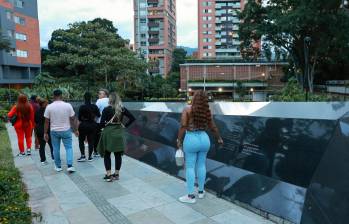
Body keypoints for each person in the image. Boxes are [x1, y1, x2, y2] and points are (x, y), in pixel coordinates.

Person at [177, 90, 223, 204]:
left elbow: (183, 126)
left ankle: (191, 196)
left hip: (191, 139)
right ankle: (201, 192)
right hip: (204, 139)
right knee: (201, 165)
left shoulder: (187, 109)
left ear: (194, 98)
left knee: (190, 167)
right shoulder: (207, 111)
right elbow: (213, 127)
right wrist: (219, 139)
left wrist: (179, 140)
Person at [98, 92, 135, 182]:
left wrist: (103, 127)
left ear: (110, 99)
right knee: (118, 154)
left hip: (109, 133)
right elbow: (132, 118)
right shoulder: (122, 109)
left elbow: (102, 124)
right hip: (119, 132)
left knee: (107, 154)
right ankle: (117, 174)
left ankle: (109, 175)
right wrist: (125, 125)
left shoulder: (106, 109)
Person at [44, 89, 78, 173]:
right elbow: (73, 118)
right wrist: (75, 129)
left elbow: (46, 121)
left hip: (54, 131)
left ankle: (58, 166)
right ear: (61, 95)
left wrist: (45, 132)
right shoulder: (68, 105)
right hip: (66, 130)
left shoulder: (49, 107)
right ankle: (70, 165)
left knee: (56, 148)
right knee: (69, 147)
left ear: (53, 96)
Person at [77, 92, 100, 162]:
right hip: (92, 125)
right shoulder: (94, 106)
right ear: (91, 98)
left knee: (81, 140)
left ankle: (83, 155)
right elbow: (99, 115)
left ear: (84, 98)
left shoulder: (82, 107)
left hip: (83, 125)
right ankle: (90, 156)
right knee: (91, 140)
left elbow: (79, 118)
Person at [35, 98, 54, 165]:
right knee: (51, 144)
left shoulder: (37, 111)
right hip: (47, 129)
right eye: (47, 103)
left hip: (39, 129)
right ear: (43, 104)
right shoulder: (47, 111)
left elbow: (36, 121)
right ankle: (54, 158)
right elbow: (49, 121)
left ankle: (43, 160)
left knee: (42, 146)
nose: (48, 104)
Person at [94, 89, 110, 157]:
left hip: (99, 122)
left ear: (105, 94)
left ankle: (96, 151)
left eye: (101, 94)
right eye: (99, 93)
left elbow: (95, 110)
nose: (99, 95)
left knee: (97, 137)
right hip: (109, 122)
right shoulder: (111, 100)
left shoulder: (99, 101)